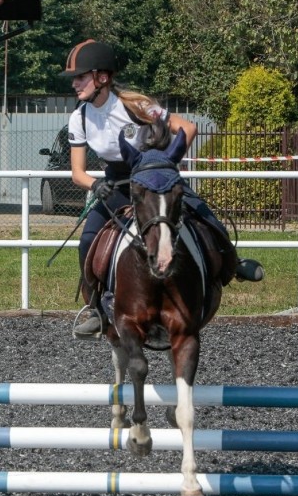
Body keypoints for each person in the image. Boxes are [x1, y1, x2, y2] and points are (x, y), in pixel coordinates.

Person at [61, 39, 264, 339]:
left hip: (155, 177)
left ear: (102, 77)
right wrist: (96, 184)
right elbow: (77, 173)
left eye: (80, 76)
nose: (75, 83)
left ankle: (233, 265)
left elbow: (188, 129)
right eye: (74, 78)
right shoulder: (78, 117)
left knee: (205, 217)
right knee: (87, 241)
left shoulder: (136, 106)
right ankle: (95, 309)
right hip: (115, 184)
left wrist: (166, 165)